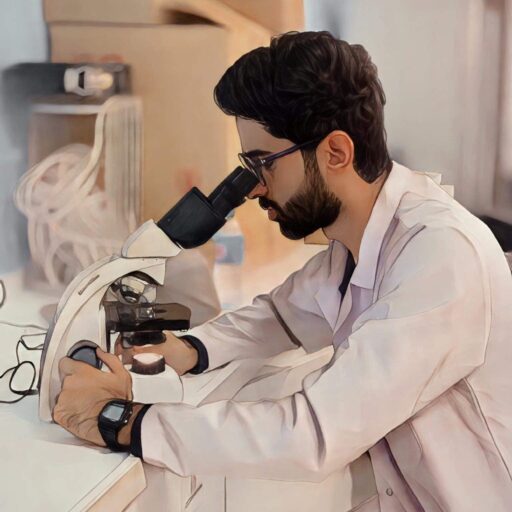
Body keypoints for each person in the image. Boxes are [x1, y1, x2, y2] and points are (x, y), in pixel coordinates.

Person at [53, 31, 512, 510]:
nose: (253, 189)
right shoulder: (359, 242)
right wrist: (188, 349)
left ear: (336, 153)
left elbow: (313, 432)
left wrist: (123, 421)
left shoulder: (441, 255)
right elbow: (279, 314)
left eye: (262, 164)